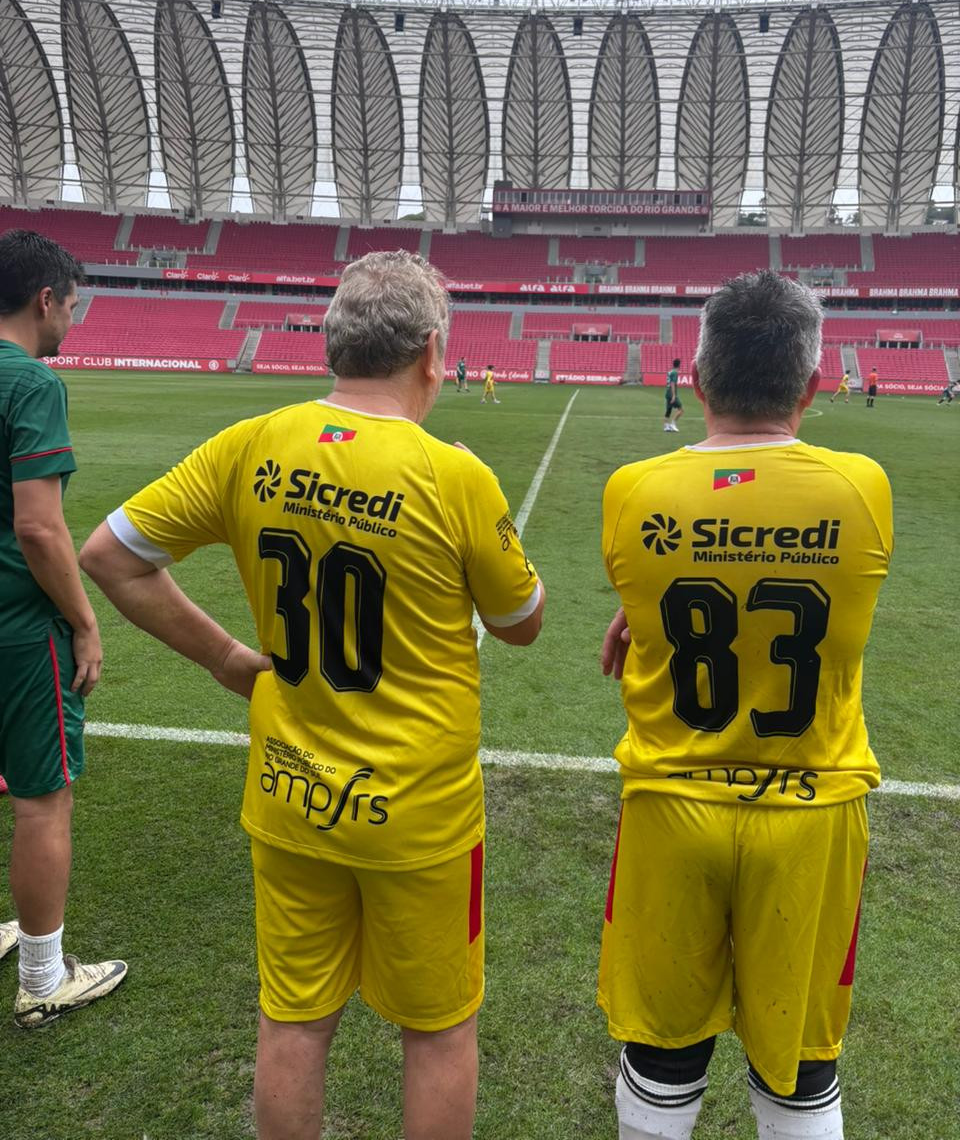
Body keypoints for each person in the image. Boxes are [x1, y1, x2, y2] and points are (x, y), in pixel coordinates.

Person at [79, 250, 544, 1140]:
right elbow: (520, 622)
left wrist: (224, 658)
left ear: (334, 342)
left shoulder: (252, 443)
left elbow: (108, 555)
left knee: (294, 1021)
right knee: (438, 1032)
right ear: (432, 353)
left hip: (290, 794)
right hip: (419, 814)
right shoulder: (453, 474)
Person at [598, 270, 892, 1140]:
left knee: (662, 1050)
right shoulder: (861, 487)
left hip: (671, 806)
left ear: (695, 380)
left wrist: (647, 606)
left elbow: (671, 577)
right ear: (814, 384)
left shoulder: (632, 491)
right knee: (800, 1062)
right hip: (812, 811)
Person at [0, 230, 127, 1028]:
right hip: (17, 626)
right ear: (45, 299)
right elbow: (40, 528)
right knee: (42, 799)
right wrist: (84, 622)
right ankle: (44, 978)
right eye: (72, 306)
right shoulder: (32, 383)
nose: (72, 321)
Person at [663, 358, 683, 431]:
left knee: (668, 410)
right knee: (681, 409)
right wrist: (674, 395)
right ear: (679, 365)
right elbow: (672, 383)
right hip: (671, 393)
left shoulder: (670, 371)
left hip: (667, 393)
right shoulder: (675, 373)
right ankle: (672, 424)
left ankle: (666, 427)